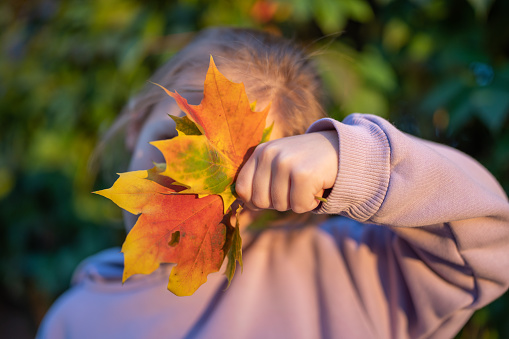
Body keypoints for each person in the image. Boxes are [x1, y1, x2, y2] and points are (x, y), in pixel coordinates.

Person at [37, 27, 509, 339]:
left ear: (283, 192)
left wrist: (353, 162)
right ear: (137, 123)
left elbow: (493, 242)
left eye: (239, 173)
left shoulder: (357, 269)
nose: (186, 189)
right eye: (173, 143)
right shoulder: (73, 321)